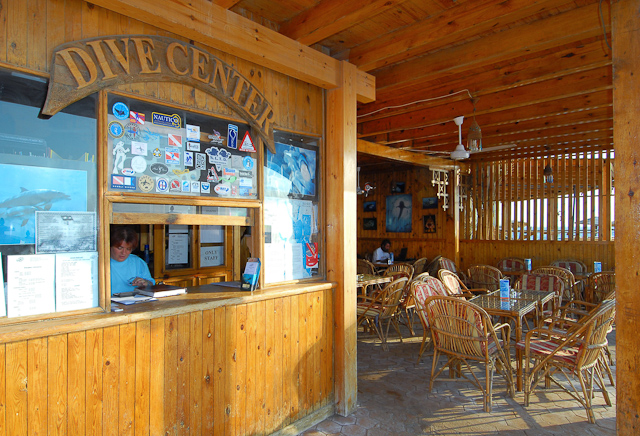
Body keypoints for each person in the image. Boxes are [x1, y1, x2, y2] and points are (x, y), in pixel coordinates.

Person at [110, 226, 155, 295]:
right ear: (110, 246)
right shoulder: (99, 262)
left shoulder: (138, 262)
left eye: (128, 249)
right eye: (120, 248)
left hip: (135, 300)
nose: (124, 253)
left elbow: (151, 284)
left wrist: (145, 283)